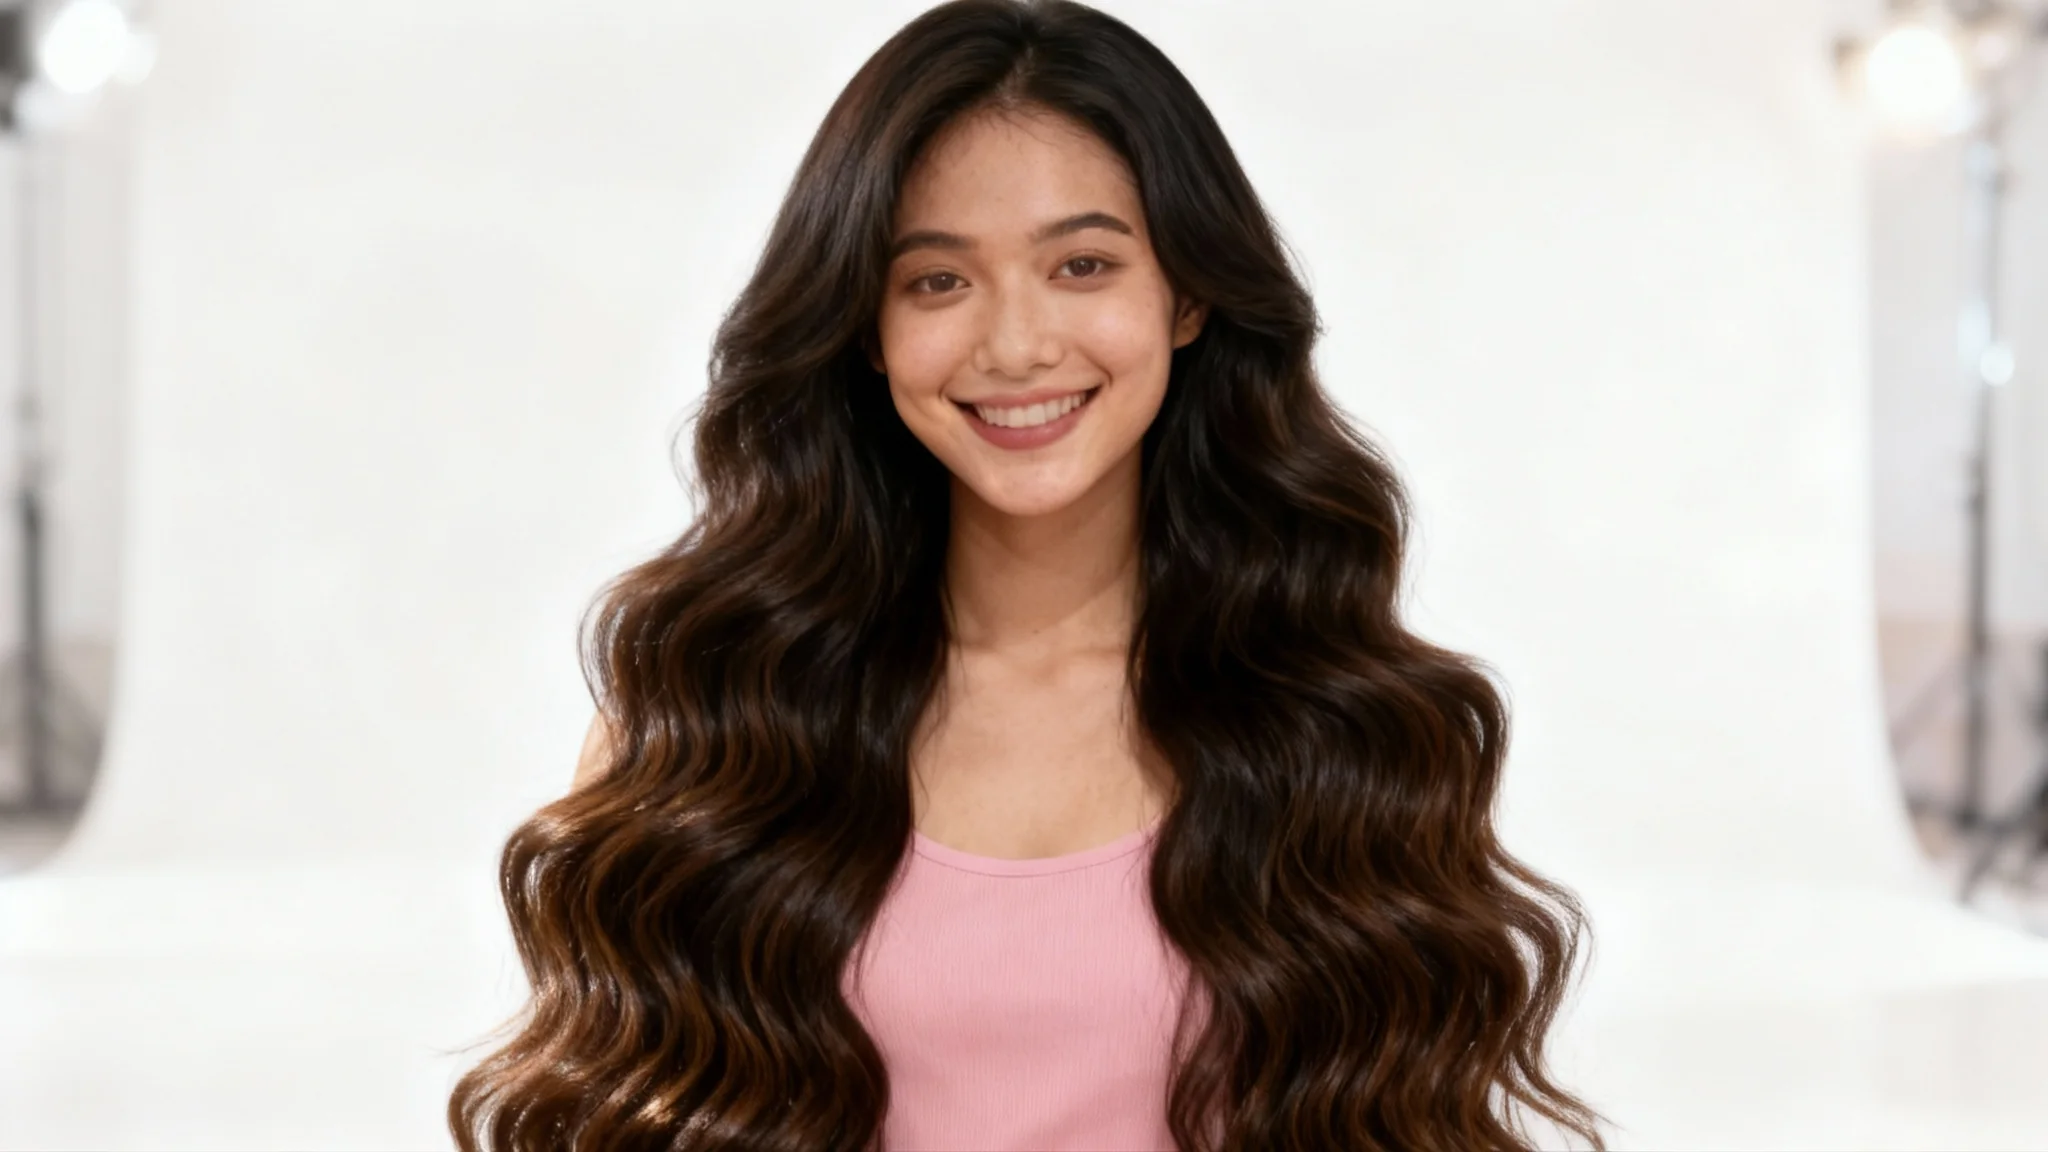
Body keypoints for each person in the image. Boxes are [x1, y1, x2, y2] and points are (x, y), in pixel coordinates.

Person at [449, 2, 1608, 1149]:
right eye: (937, 283)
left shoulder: (1351, 727)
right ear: (866, 326)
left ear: (1188, 293)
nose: (1014, 346)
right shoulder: (708, 720)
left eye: (1082, 264)